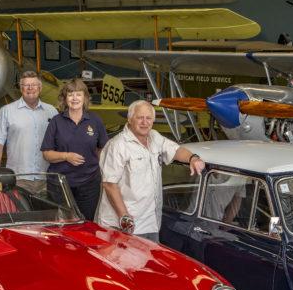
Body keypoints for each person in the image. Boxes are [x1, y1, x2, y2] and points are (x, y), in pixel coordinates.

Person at [95, 100, 205, 242]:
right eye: (140, 117)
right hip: (123, 225)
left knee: (149, 262)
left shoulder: (155, 137)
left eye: (148, 118)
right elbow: (110, 184)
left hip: (150, 223)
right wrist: (125, 218)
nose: (144, 122)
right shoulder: (117, 145)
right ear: (129, 119)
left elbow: (176, 150)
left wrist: (193, 158)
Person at [41, 79, 108, 220]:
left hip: (89, 184)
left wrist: (97, 168)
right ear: (65, 99)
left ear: (85, 98)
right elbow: (46, 154)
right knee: (61, 224)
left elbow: (103, 149)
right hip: (60, 184)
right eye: (70, 94)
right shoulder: (56, 121)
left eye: (78, 94)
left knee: (86, 223)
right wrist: (66, 156)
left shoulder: (95, 121)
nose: (75, 98)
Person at [0, 71, 58, 191]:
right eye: (26, 85)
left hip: (47, 177)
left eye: (34, 85)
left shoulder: (52, 111)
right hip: (18, 178)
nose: (30, 88)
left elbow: (60, 141)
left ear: (40, 88)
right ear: (21, 88)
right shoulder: (7, 111)